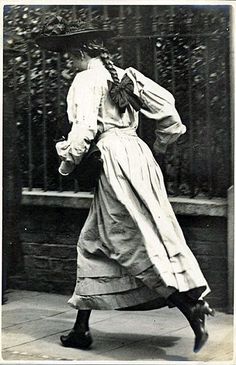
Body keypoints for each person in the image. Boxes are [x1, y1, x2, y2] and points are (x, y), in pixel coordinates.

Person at [36, 15, 214, 354]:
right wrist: (159, 145)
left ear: (84, 51)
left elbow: (86, 129)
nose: (67, 60)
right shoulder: (126, 76)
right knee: (98, 241)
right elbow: (168, 111)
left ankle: (191, 307)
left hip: (114, 160)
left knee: (132, 240)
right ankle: (80, 330)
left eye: (70, 54)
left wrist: (67, 162)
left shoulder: (86, 80)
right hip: (137, 156)